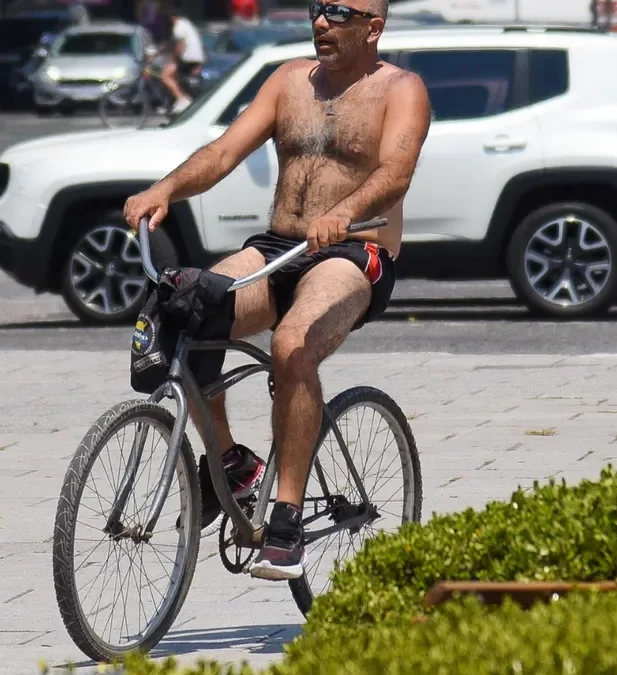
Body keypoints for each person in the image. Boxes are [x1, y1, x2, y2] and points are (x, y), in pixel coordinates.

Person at [123, 0, 431, 581]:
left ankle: (286, 518)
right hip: (278, 248)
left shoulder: (401, 89)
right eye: (317, 9)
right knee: (189, 307)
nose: (322, 22)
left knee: (292, 345)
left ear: (374, 27)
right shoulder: (289, 82)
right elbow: (223, 152)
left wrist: (343, 213)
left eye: (339, 12)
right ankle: (231, 464)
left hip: (353, 253)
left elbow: (396, 172)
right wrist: (164, 190)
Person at [161, 8, 205, 113]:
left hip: (188, 57)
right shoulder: (187, 24)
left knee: (165, 75)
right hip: (197, 57)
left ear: (173, 18)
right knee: (177, 76)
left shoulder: (178, 27)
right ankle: (183, 98)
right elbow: (171, 43)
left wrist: (174, 59)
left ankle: (182, 100)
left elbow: (180, 46)